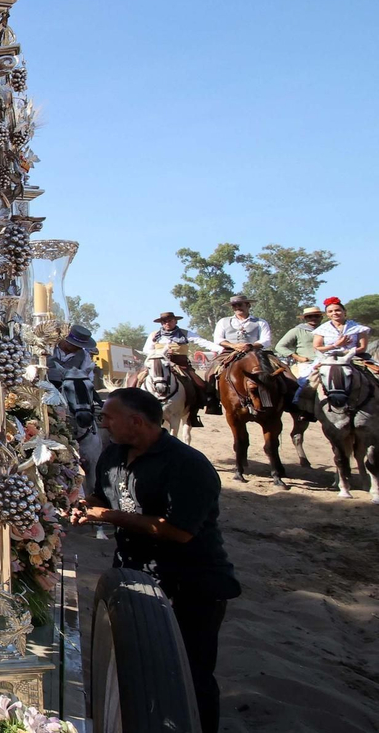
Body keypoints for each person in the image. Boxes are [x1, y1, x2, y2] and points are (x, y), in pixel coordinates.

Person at [73, 388, 240, 733]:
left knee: (191, 675)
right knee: (139, 666)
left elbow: (179, 532)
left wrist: (108, 516)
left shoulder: (189, 466)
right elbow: (102, 496)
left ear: (135, 421)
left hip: (191, 585)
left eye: (108, 418)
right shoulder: (113, 455)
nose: (102, 424)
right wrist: (82, 505)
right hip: (135, 577)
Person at [143, 312, 219, 429]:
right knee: (136, 379)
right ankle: (132, 406)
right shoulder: (154, 335)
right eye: (164, 321)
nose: (167, 323)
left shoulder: (185, 333)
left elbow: (202, 342)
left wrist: (220, 349)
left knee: (200, 385)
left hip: (181, 365)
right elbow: (147, 350)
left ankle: (193, 413)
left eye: (170, 320)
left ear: (175, 321)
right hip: (159, 364)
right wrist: (160, 353)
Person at [275, 306, 325, 412]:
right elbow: (280, 346)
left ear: (321, 317)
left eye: (316, 316)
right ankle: (301, 407)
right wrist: (297, 357)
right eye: (309, 316)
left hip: (327, 361)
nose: (313, 318)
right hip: (307, 363)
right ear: (305, 318)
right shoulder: (297, 330)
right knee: (306, 384)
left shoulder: (327, 329)